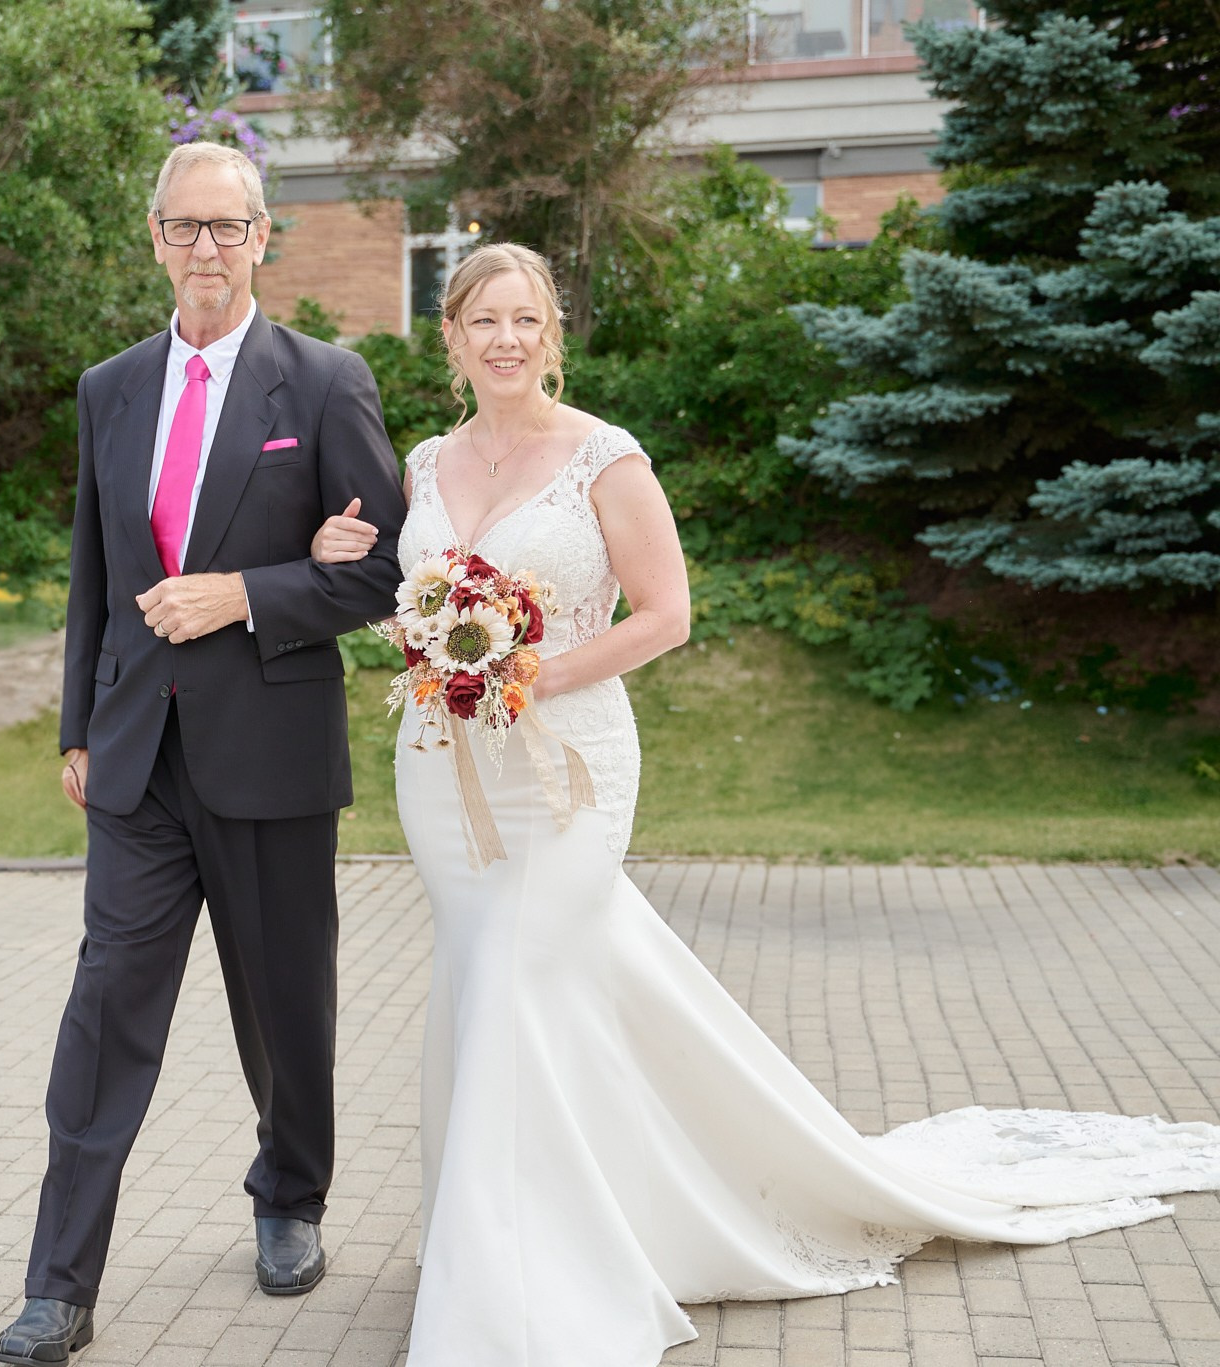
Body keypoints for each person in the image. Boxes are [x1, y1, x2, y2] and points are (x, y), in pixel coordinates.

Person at [307, 242, 1220, 1366]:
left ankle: (516, 1288)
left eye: (525, 319)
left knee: (509, 981)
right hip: (445, 774)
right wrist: (341, 560)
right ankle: (533, 1228)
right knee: (490, 988)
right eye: (482, 320)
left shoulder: (603, 458)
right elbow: (411, 607)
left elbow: (666, 614)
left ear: (552, 334)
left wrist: (535, 673)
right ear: (448, 335)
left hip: (566, 776)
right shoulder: (426, 461)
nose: (506, 339)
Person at [0, 142, 406, 1366]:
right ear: (155, 238)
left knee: (281, 999)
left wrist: (243, 592)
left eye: (227, 226)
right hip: (137, 757)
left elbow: (384, 573)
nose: (205, 248)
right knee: (105, 1008)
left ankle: (289, 1192)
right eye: (184, 227)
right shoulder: (108, 387)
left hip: (269, 748)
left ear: (262, 236)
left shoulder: (323, 383)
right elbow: (93, 572)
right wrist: (77, 723)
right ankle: (58, 1281)